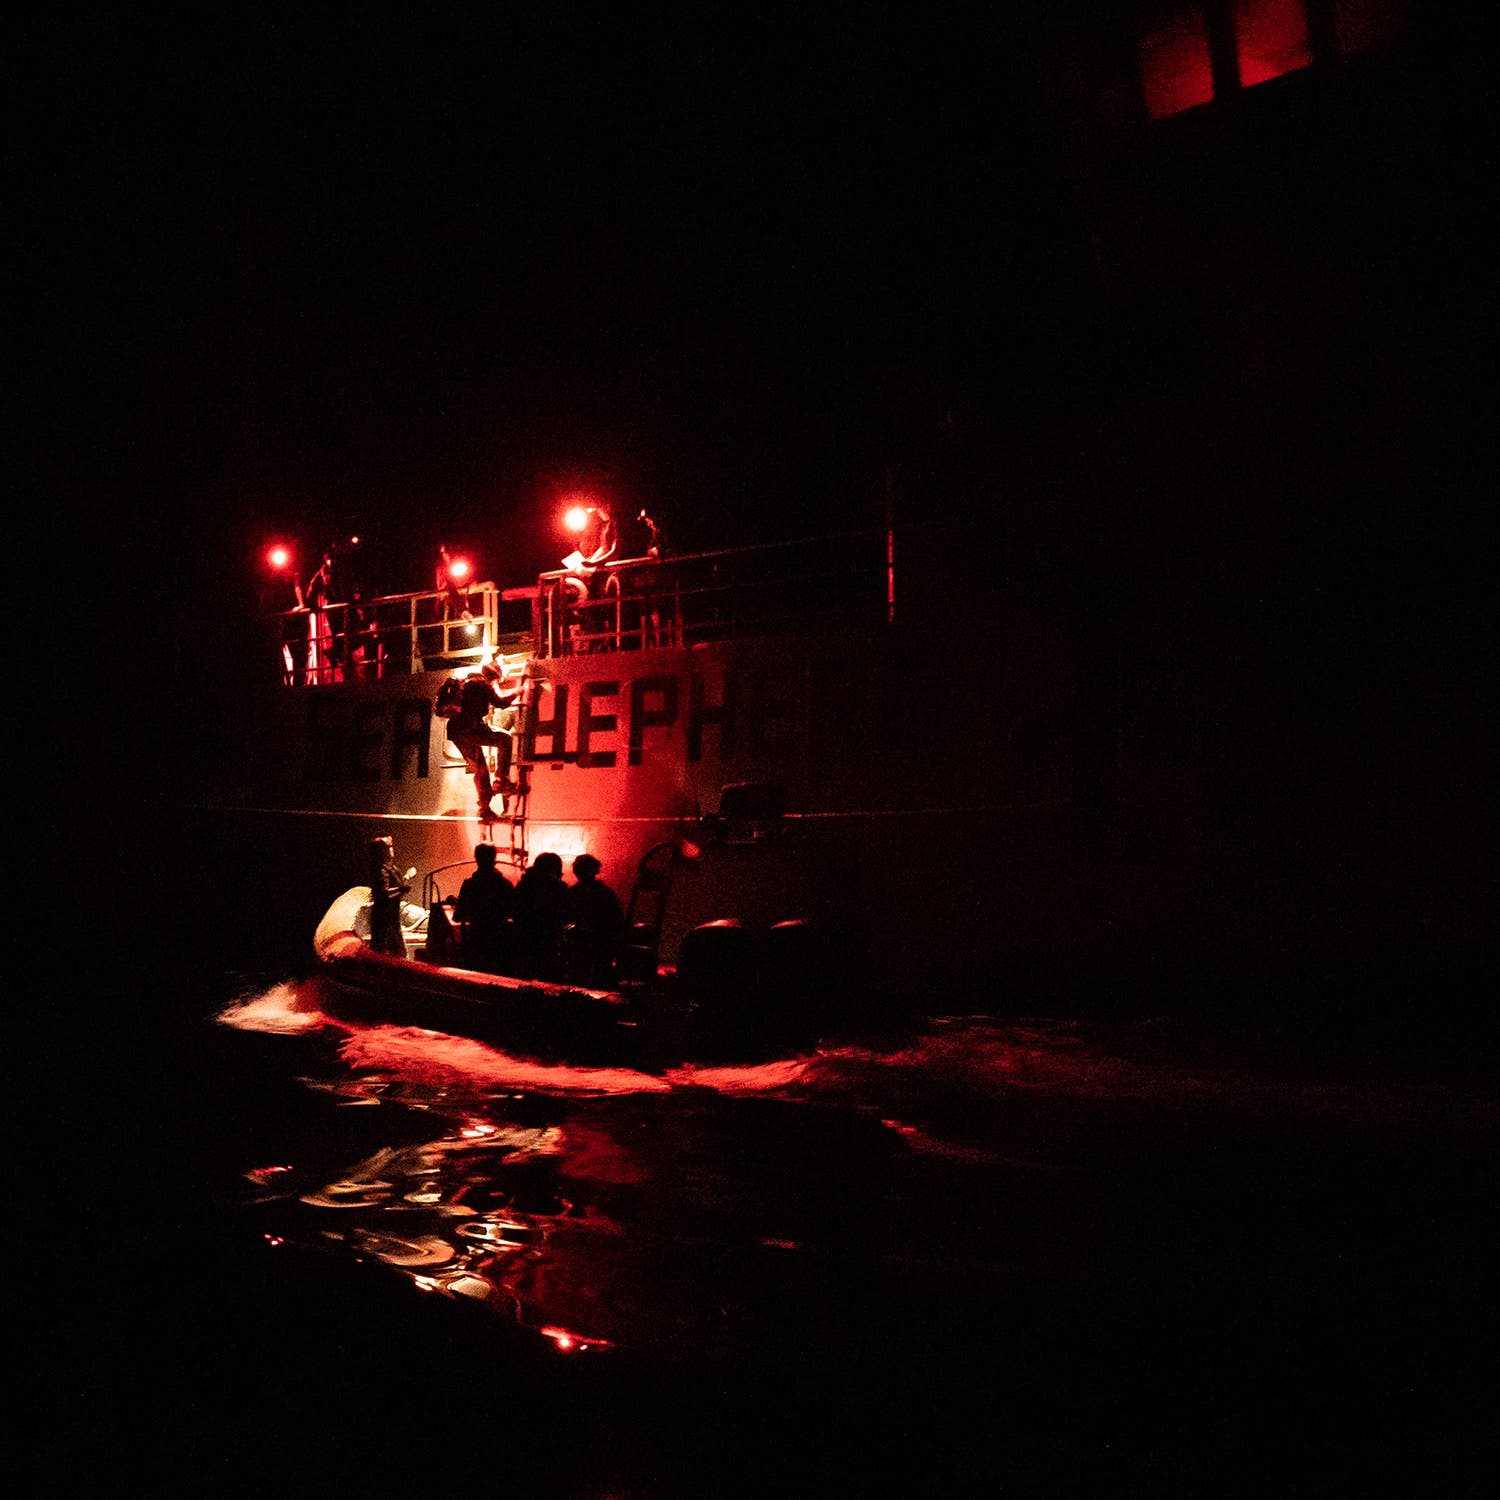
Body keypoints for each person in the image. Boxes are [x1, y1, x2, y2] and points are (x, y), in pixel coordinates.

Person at [444, 662, 519, 822]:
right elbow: (501, 702)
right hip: (470, 728)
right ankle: (501, 780)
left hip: (457, 731)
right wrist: (521, 690)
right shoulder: (483, 683)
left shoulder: (468, 682)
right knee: (505, 739)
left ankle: (485, 808)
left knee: (481, 768)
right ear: (494, 676)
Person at [563, 852, 625, 987]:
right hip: (593, 944)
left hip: (592, 944)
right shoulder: (604, 893)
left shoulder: (574, 893)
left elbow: (565, 920)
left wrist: (572, 930)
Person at [454, 843, 514, 973]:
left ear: (477, 859)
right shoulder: (505, 885)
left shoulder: (470, 885)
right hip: (500, 940)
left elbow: (458, 916)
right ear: (494, 859)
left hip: (477, 940)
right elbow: (514, 912)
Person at [511, 851, 568, 980]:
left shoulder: (523, 885)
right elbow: (566, 914)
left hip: (525, 940)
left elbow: (514, 911)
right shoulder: (558, 888)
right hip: (549, 941)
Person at [368, 836, 411, 956]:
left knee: (393, 950)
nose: (392, 849)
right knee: (385, 951)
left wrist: (406, 878)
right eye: (389, 846)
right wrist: (402, 889)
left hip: (391, 917)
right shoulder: (381, 870)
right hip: (385, 918)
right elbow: (383, 893)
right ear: (382, 851)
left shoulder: (389, 868)